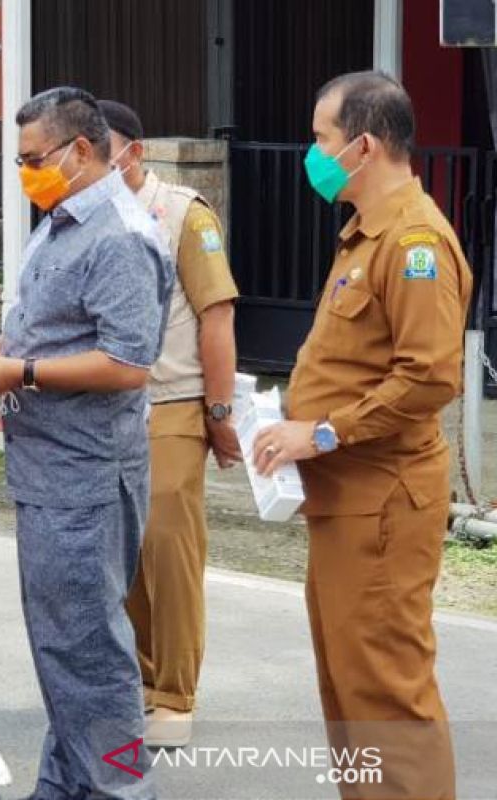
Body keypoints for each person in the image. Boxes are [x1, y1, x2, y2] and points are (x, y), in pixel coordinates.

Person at [254, 71, 470, 800]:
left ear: (364, 145)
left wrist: (321, 431)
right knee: (349, 688)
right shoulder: (365, 236)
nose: (311, 154)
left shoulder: (413, 243)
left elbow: (431, 377)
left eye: (321, 139)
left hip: (382, 504)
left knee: (386, 694)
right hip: (347, 501)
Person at [0, 87, 172, 800]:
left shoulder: (119, 235)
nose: (24, 174)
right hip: (47, 472)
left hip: (84, 479)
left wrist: (19, 370)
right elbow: (57, 326)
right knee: (63, 654)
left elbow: (127, 363)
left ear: (82, 150)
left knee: (93, 659)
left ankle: (118, 790)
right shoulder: (62, 221)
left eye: (33, 159)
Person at [97, 99, 241, 747]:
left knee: (168, 552)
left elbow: (217, 316)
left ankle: (175, 694)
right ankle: (142, 680)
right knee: (121, 552)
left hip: (173, 405)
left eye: (104, 151)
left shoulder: (182, 212)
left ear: (135, 149)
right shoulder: (89, 219)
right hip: (107, 411)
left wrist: (220, 411)